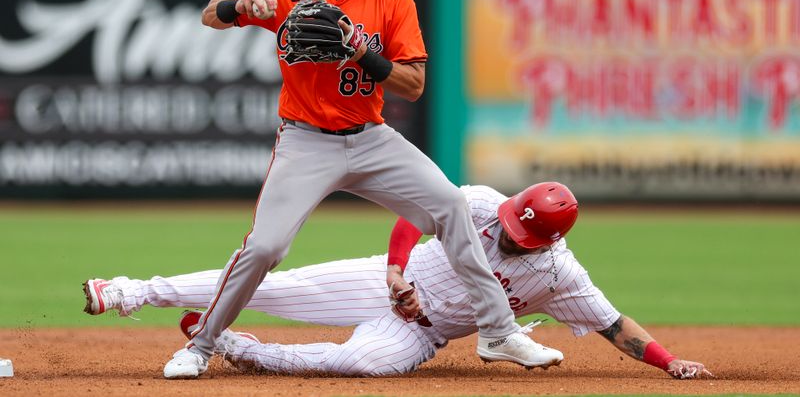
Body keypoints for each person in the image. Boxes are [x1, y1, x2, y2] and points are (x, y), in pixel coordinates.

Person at [136, 0, 553, 379]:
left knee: (450, 204)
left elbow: (414, 85)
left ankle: (499, 332)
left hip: (372, 138)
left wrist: (362, 54)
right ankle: (202, 345)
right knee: (266, 247)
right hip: (306, 140)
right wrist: (240, 5)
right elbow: (212, 13)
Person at [83, 182, 711, 379]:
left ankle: (232, 347)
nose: (510, 229)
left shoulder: (556, 272)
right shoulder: (485, 202)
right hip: (380, 283)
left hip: (424, 333)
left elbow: (611, 324)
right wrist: (394, 271)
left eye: (525, 232)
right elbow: (414, 219)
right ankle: (132, 291)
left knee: (360, 366)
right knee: (267, 283)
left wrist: (668, 360)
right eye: (514, 219)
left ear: (548, 239)